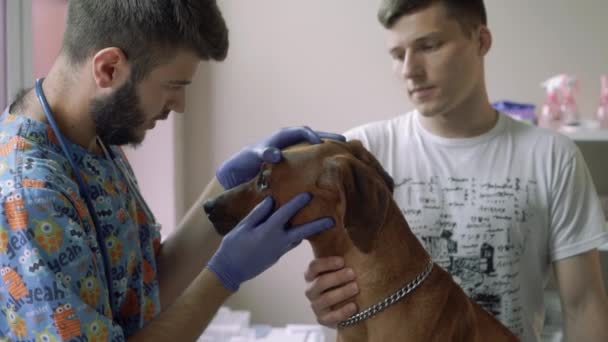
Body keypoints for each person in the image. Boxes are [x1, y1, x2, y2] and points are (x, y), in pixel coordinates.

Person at [0, 1, 344, 340]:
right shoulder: (30, 196)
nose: (180, 106)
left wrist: (223, 190)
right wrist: (224, 276)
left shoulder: (94, 142)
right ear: (108, 69)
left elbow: (146, 294)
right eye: (174, 87)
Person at [303, 0, 608, 341]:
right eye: (396, 54)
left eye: (429, 46)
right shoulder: (362, 157)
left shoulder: (552, 156)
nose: (409, 69)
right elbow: (339, 284)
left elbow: (584, 306)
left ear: (481, 41)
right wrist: (331, 300)